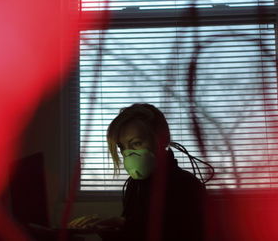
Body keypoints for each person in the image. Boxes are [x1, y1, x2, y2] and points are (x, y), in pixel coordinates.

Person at [69, 103, 208, 241]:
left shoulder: (187, 185)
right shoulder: (134, 186)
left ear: (162, 139)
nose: (127, 153)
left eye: (136, 143)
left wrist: (123, 224)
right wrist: (104, 229)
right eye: (122, 147)